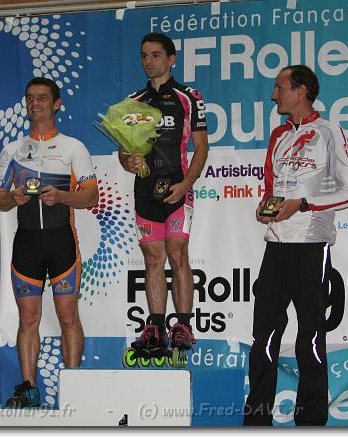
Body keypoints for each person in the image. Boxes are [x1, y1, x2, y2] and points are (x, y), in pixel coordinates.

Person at [244, 65, 348, 426]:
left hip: (311, 244)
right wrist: (266, 207)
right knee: (264, 335)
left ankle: (310, 421)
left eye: (280, 88)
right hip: (275, 245)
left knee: (310, 335)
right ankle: (257, 420)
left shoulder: (329, 131)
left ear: (301, 90)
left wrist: (303, 204)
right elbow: (271, 187)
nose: (274, 95)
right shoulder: (278, 135)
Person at [0, 77, 98, 408]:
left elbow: (91, 196)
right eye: (29, 98)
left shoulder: (73, 147)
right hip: (27, 244)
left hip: (61, 241)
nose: (34, 103)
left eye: (41, 97)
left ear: (57, 104)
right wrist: (13, 197)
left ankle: (74, 385)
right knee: (28, 319)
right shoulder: (12, 150)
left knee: (67, 316)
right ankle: (29, 388)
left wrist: (62, 196)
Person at [118, 32, 208, 362]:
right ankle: (155, 326)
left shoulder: (189, 97)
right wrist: (128, 161)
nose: (148, 61)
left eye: (155, 55)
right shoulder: (134, 101)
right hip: (145, 192)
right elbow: (124, 152)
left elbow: (201, 147)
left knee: (177, 252)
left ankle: (182, 325)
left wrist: (186, 184)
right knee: (152, 259)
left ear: (171, 59)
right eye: (144, 56)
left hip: (177, 188)